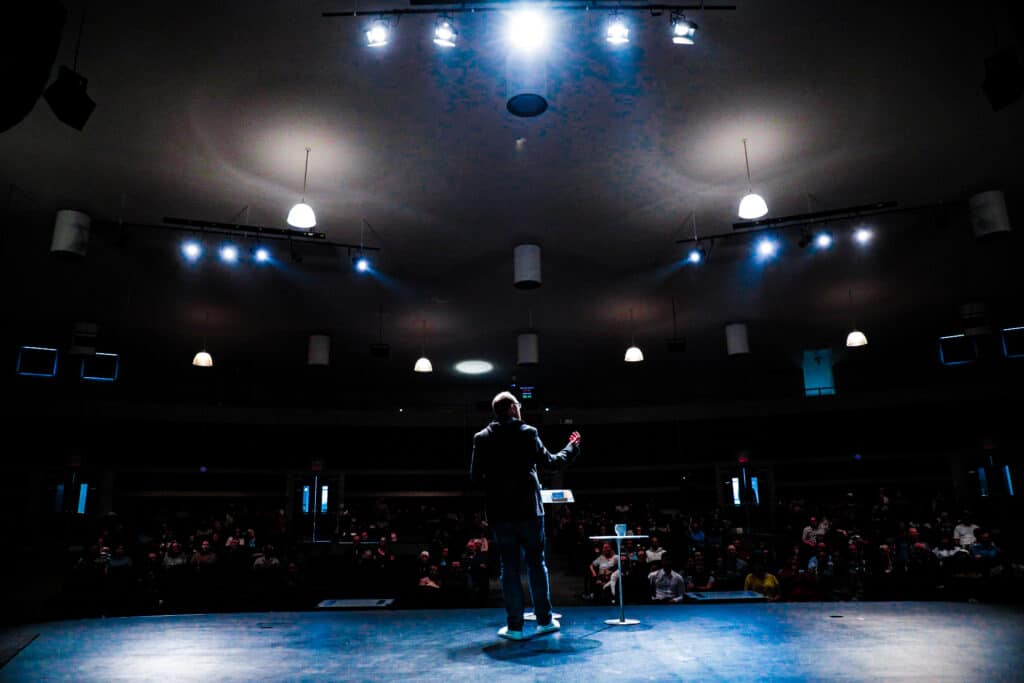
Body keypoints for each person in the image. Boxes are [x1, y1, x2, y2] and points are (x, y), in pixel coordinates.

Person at [470, 391, 581, 641]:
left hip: (500, 514)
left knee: (508, 568)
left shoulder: (481, 438)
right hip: (530, 512)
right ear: (511, 409)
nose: (520, 410)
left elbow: (475, 478)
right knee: (536, 564)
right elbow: (552, 462)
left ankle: (515, 627)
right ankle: (544, 621)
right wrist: (572, 447)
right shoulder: (528, 432)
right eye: (518, 406)